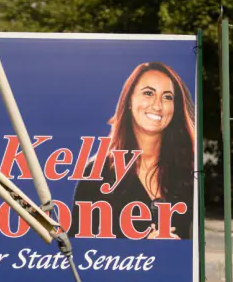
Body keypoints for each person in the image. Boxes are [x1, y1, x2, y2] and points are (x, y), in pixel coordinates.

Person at [71, 61, 195, 240]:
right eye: (148, 93)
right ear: (129, 100)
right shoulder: (98, 171)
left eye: (167, 97)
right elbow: (77, 246)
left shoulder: (189, 169)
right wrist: (141, 247)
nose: (157, 105)